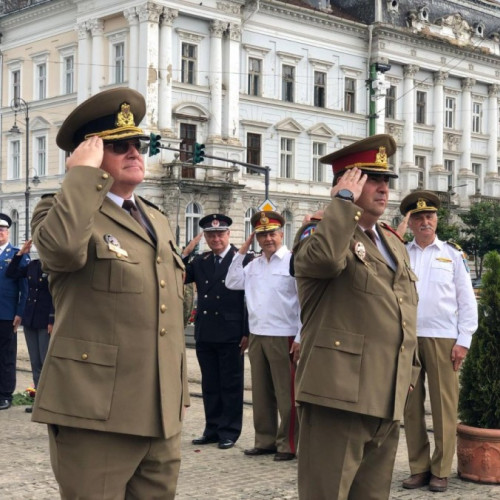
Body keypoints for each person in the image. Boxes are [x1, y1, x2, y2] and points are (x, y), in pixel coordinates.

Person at [30, 88, 189, 499]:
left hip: (159, 414)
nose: (134, 152)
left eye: (137, 143)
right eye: (118, 146)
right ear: (90, 154)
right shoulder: (58, 209)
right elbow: (63, 250)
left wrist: (176, 397)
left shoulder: (155, 217)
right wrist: (80, 178)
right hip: (95, 413)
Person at [292, 134, 420, 500]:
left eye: (386, 180)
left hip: (386, 394)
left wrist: (408, 373)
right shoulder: (320, 232)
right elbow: (325, 262)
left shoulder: (392, 241)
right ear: (347, 182)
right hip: (338, 395)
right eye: (371, 178)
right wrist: (342, 205)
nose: (383, 188)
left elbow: (406, 310)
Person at [398, 190, 478, 493]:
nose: (424, 222)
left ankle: (442, 469)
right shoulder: (401, 254)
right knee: (410, 406)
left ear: (436, 219)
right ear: (410, 221)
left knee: (445, 407)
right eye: (418, 217)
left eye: (429, 216)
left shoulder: (453, 254)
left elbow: (466, 299)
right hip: (408, 338)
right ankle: (419, 467)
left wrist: (464, 340)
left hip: (444, 338)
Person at [226, 211, 301, 461]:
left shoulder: (292, 261)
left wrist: (300, 336)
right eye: (262, 235)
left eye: (272, 234)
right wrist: (241, 250)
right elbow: (231, 282)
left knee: (287, 395)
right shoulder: (253, 264)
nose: (268, 239)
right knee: (261, 393)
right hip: (258, 334)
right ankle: (265, 440)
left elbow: (304, 303)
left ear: (282, 234)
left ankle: (288, 444)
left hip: (284, 335)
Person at [182, 214, 251, 450]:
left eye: (220, 234)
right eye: (210, 235)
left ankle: (229, 431)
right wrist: (185, 253)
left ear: (229, 234)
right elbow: (178, 275)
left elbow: (250, 300)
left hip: (232, 332)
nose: (216, 239)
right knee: (210, 384)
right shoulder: (200, 261)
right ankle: (212, 428)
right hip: (206, 330)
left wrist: (247, 332)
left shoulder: (243, 259)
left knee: (230, 385)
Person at [6, 239, 54, 413]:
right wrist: (20, 254)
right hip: (30, 319)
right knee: (35, 362)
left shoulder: (54, 267)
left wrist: (52, 319)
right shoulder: (33, 265)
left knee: (45, 361)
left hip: (45, 321)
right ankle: (39, 401)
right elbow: (11, 273)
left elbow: (56, 295)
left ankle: (48, 402)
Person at [0, 214, 29, 411]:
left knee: (6, 356)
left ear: (8, 232)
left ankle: (5, 395)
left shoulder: (17, 254)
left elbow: (24, 287)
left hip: (7, 313)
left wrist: (20, 312)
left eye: (2, 230)